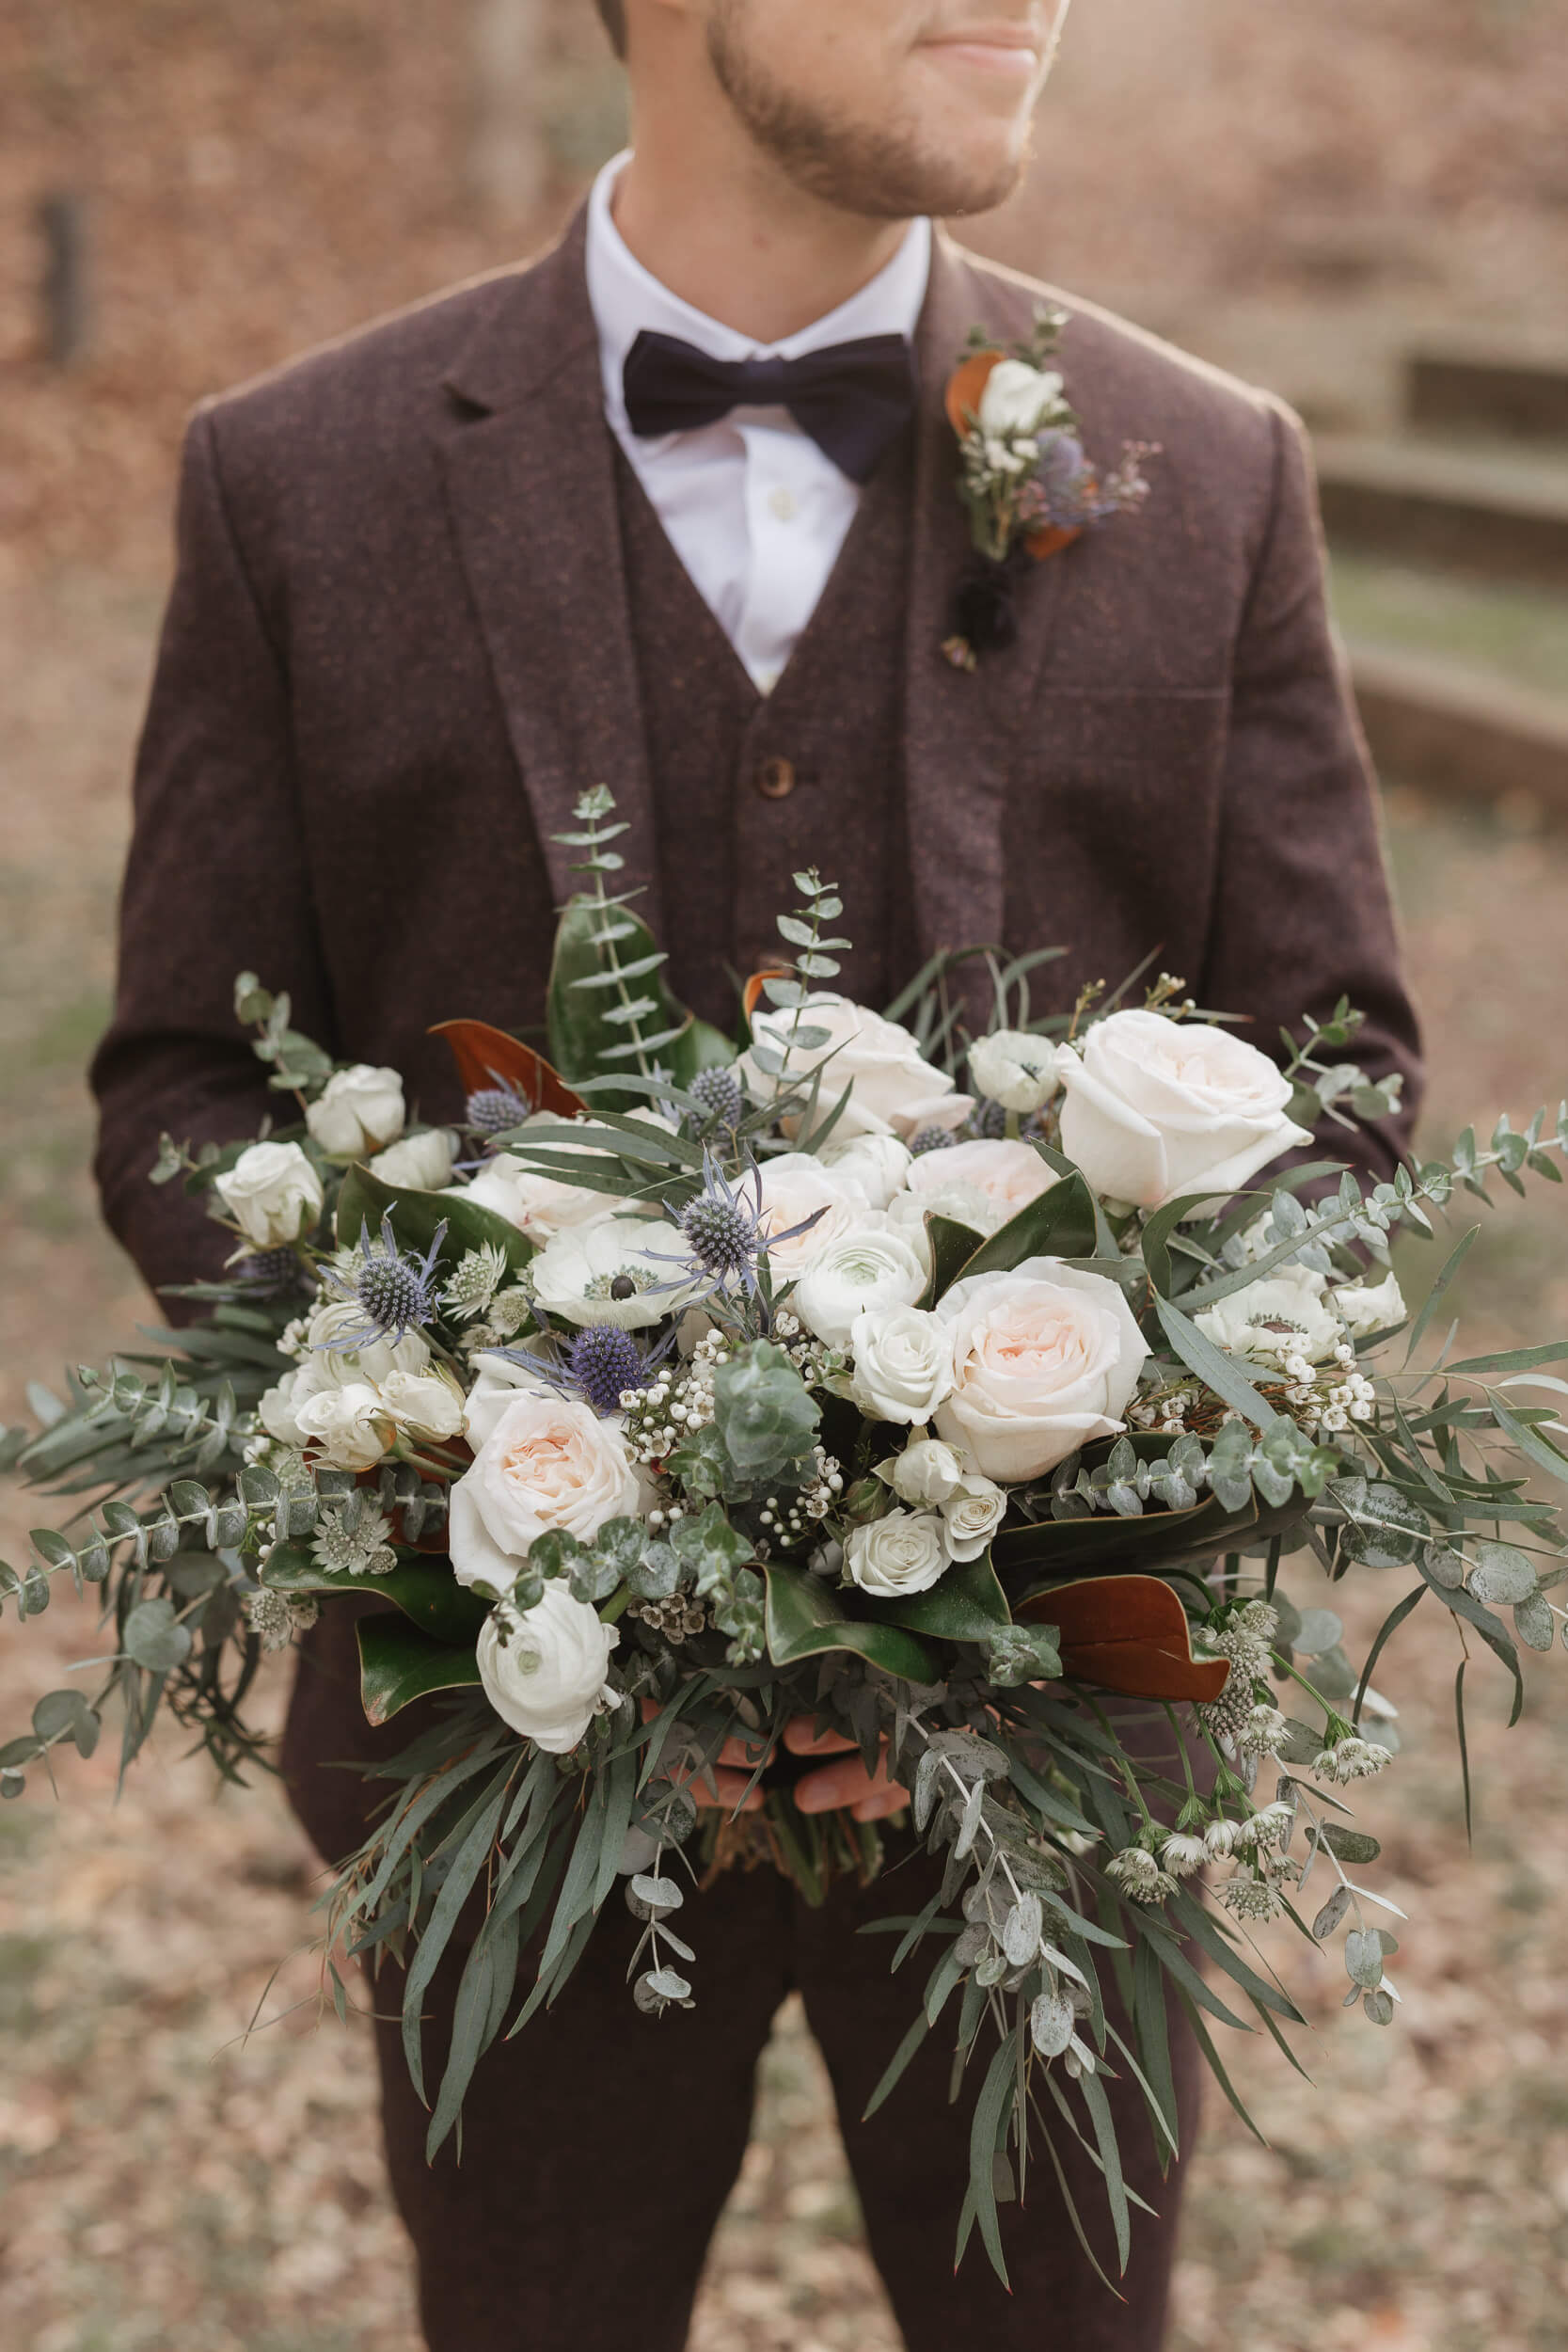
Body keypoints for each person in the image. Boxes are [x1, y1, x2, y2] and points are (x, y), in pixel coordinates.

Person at [90, 2, 1423, 2344]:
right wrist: (470, 1484)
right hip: (499, 1757)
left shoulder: (1198, 470)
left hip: (1068, 1767)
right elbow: (192, 1084)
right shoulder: (300, 481)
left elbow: (1345, 1093)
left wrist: (1043, 1506)